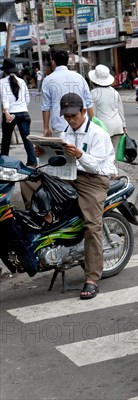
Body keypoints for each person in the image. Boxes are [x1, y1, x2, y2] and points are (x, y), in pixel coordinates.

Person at [36, 93, 117, 300]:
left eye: (74, 115)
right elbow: (57, 161)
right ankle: (46, 217)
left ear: (82, 112)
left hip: (94, 179)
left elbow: (99, 166)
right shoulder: (64, 133)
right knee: (30, 178)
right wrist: (43, 153)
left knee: (92, 225)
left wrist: (80, 154)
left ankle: (91, 278)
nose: (71, 120)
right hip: (70, 175)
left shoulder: (98, 134)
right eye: (67, 116)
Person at [41, 48, 94, 137]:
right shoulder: (79, 77)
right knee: (81, 150)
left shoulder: (47, 80)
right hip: (81, 124)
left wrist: (46, 127)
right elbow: (88, 102)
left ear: (53, 62)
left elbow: (46, 107)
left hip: (60, 126)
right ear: (67, 61)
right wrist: (93, 122)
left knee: (64, 150)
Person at [0, 58, 36, 167]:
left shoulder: (1, 82)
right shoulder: (22, 81)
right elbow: (27, 99)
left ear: (5, 71)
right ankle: (32, 161)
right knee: (27, 139)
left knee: (6, 140)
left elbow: (4, 98)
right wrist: (22, 108)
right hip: (24, 113)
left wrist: (7, 112)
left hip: (10, 114)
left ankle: (3, 163)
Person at [88, 64, 127, 151]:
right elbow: (120, 111)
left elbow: (92, 115)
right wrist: (124, 125)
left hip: (103, 128)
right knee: (111, 152)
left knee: (104, 153)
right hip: (117, 127)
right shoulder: (115, 92)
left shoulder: (93, 93)